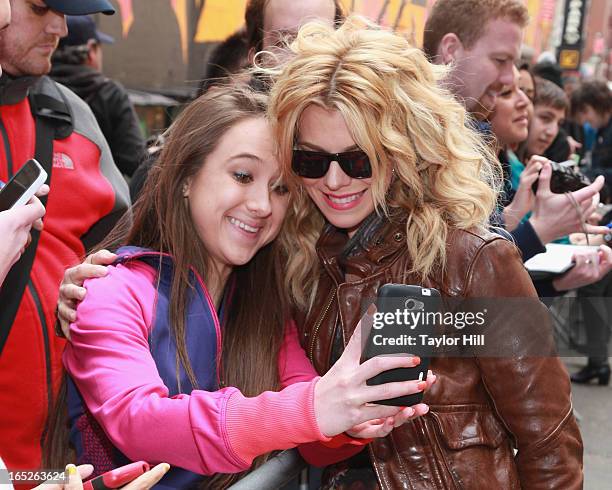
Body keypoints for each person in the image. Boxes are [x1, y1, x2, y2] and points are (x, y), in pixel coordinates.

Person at [51, 85, 434, 489]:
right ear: (186, 177)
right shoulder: (110, 289)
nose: (262, 205)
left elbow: (312, 435)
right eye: (242, 175)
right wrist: (316, 409)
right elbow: (141, 421)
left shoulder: (265, 304)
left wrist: (355, 417)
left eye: (280, 188)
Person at [265, 17, 583, 488]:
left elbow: (550, 441)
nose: (333, 182)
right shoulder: (297, 258)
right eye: (311, 160)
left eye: (358, 160)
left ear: (403, 149)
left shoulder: (471, 259)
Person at [0, 0, 129, 472]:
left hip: (55, 462)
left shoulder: (72, 116)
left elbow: (119, 248)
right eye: (40, 8)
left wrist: (98, 286)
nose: (60, 26)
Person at [423, 0, 607, 262]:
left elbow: (478, 238)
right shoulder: (407, 135)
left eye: (514, 63)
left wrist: (519, 210)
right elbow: (446, 272)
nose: (511, 77)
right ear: (451, 49)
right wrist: (539, 230)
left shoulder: (468, 135)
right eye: (500, 60)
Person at [50, 15, 146, 177]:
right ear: (91, 50)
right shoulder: (110, 94)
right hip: (100, 198)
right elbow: (136, 162)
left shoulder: (35, 88)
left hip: (43, 195)